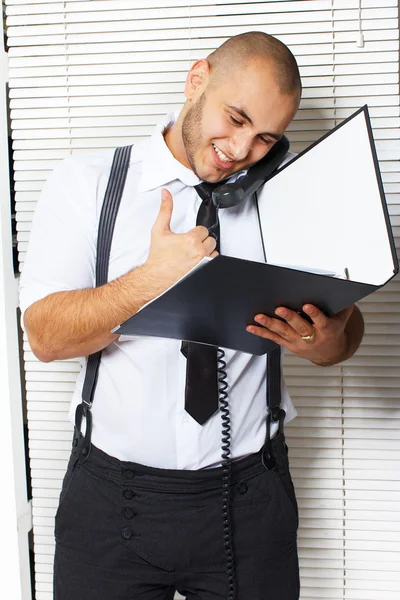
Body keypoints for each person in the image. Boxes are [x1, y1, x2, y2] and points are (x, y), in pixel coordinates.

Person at [20, 31, 364, 600]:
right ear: (197, 77)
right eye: (234, 118)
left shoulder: (290, 200)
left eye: (264, 138)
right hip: (110, 504)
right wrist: (149, 280)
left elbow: (342, 339)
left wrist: (323, 340)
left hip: (252, 499)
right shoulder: (87, 184)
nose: (240, 148)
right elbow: (46, 337)